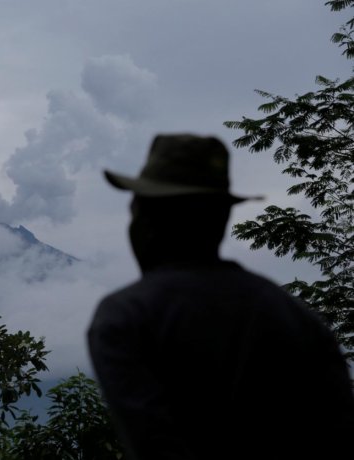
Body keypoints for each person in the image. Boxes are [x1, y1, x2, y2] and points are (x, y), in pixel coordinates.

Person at [87, 134, 354, 459]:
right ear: (221, 219)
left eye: (136, 209)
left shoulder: (126, 318)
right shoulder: (297, 318)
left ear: (147, 220)